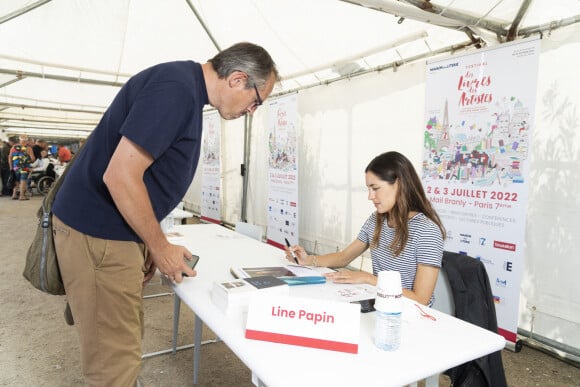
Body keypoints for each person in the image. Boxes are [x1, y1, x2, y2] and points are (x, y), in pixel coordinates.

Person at [51, 42, 279, 386]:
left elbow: (145, 176)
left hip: (109, 232)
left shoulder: (183, 86)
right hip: (99, 234)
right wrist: (159, 247)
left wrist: (148, 242)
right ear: (236, 79)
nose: (252, 111)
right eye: (256, 101)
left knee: (121, 345)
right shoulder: (176, 91)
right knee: (113, 361)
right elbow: (120, 176)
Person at [285, 151, 446, 306]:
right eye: (368, 189)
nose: (370, 196)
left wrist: (369, 278)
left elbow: (421, 299)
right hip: (380, 304)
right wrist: (309, 260)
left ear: (399, 184)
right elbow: (344, 257)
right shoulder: (376, 220)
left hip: (410, 315)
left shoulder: (427, 231)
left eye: (375, 188)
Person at [8, 134, 35, 200]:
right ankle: (21, 196)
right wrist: (29, 160)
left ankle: (14, 195)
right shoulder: (28, 148)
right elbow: (32, 159)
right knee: (23, 180)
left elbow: (10, 157)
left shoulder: (14, 147)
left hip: (15, 167)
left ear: (19, 140)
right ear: (27, 141)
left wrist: (11, 166)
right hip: (24, 167)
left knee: (16, 180)